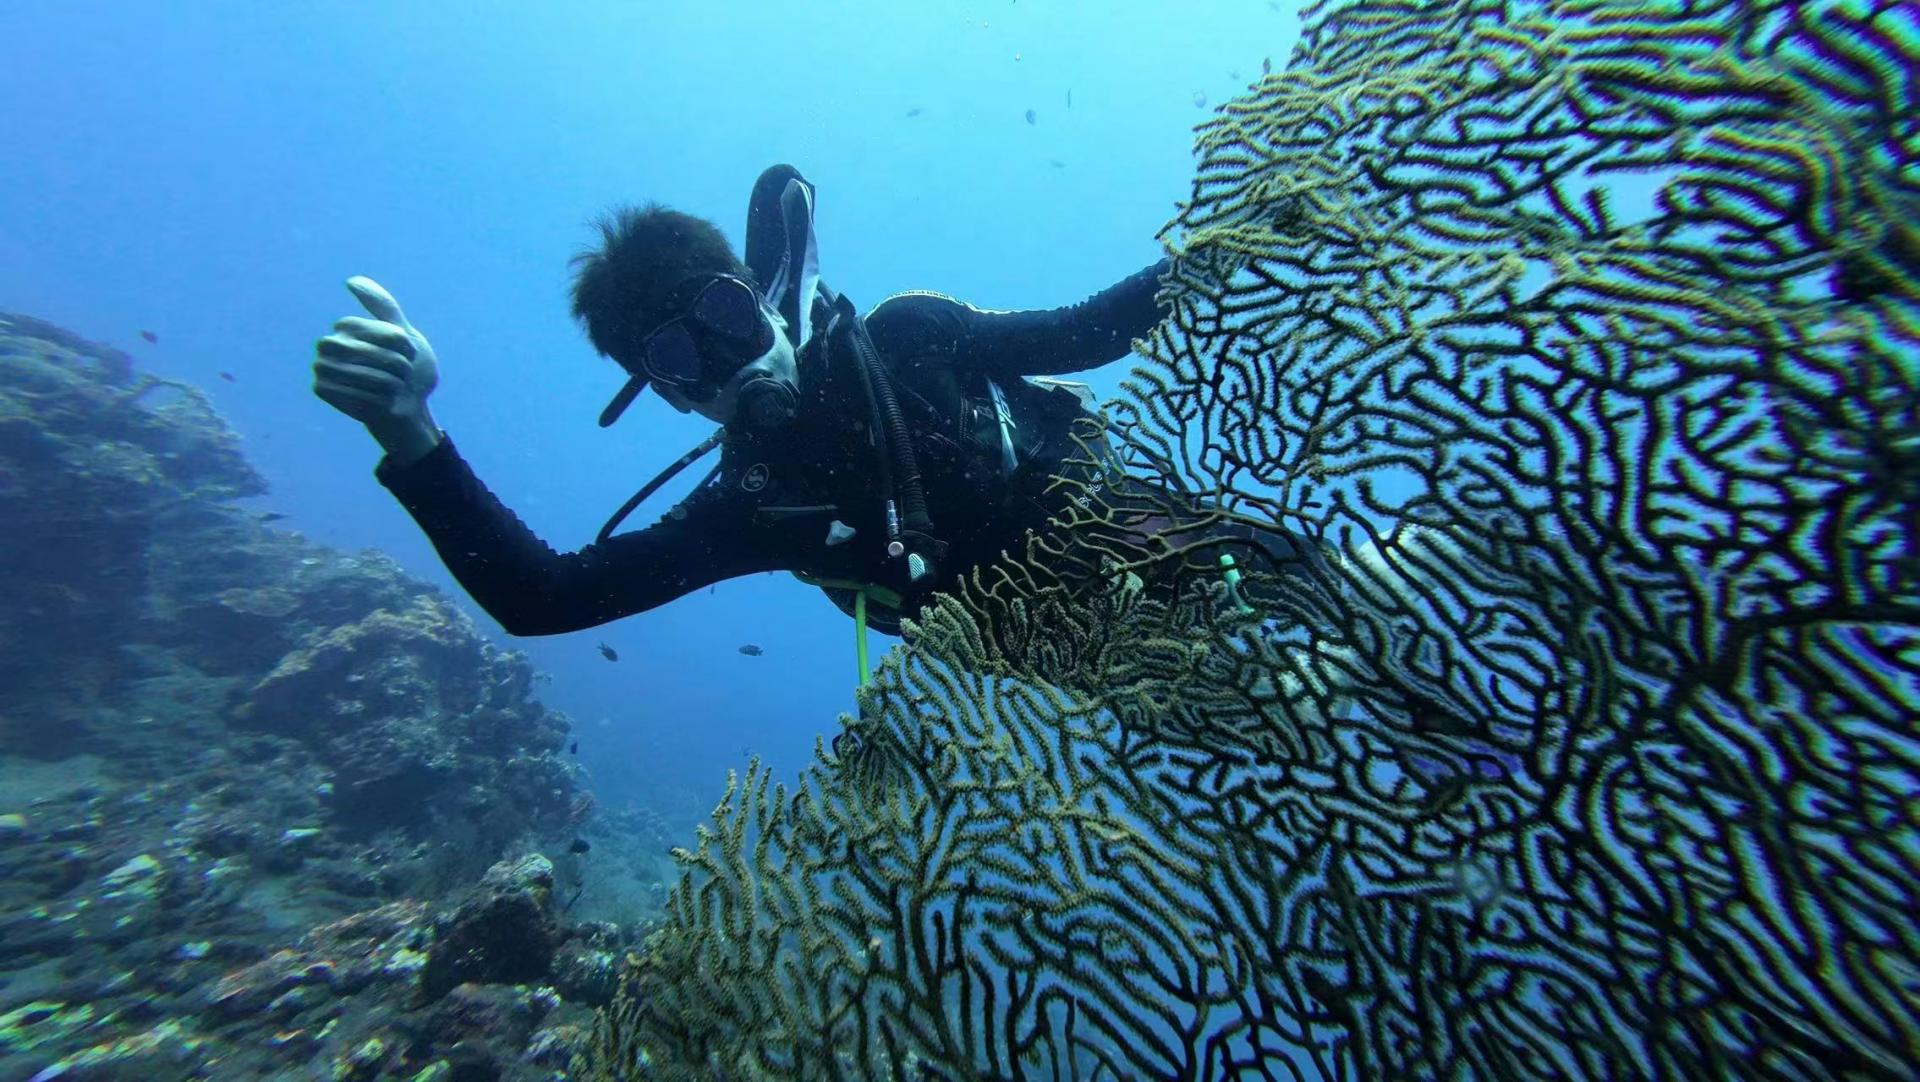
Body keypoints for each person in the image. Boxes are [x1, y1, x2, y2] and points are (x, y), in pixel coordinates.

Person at [312, 166, 1318, 672]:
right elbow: (546, 596)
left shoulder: (912, 338)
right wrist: (411, 436)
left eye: (723, 318)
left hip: (1142, 530)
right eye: (678, 360)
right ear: (669, 394)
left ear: (758, 294)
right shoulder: (758, 507)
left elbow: (1088, 330)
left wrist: (1245, 236)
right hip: (1080, 655)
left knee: (1349, 595)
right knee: (1285, 714)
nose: (721, 364)